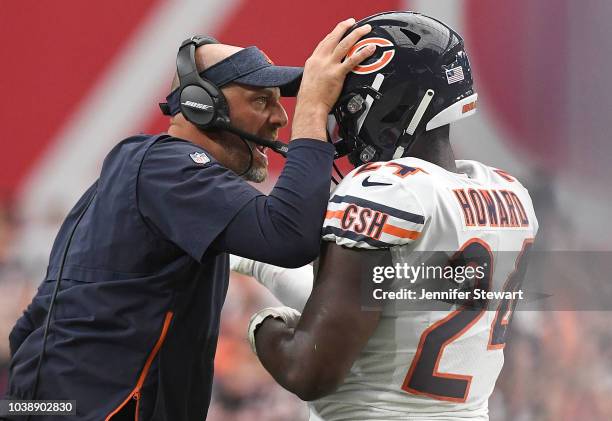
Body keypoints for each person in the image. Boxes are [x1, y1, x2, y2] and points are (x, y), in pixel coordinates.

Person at [5, 19, 376, 421]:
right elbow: (287, 236)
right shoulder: (165, 166)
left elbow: (31, 324)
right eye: (261, 101)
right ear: (203, 105)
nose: (280, 118)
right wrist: (313, 113)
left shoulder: (137, 173)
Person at [243, 12, 539, 420]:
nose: (344, 121)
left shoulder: (387, 191)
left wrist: (262, 324)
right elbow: (381, 306)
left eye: (351, 104)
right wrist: (253, 264)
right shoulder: (509, 195)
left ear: (395, 104)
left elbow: (308, 369)